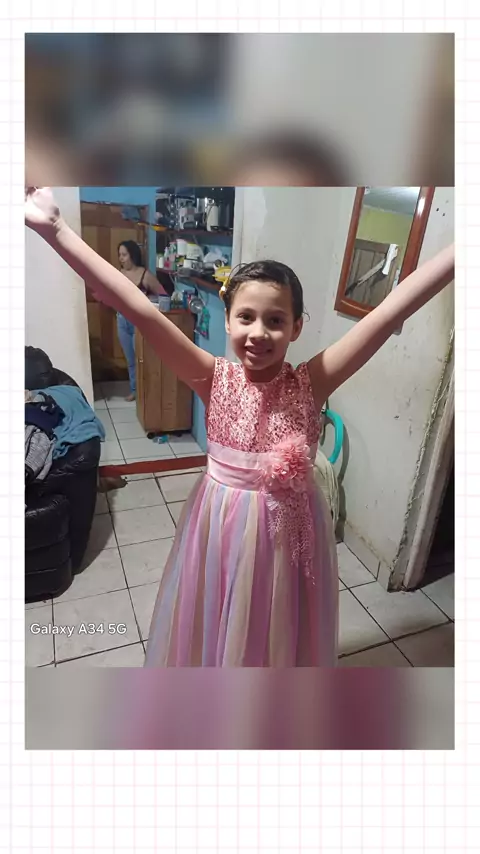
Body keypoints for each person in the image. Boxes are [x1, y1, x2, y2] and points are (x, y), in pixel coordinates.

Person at [25, 187, 454, 667]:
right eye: (246, 317)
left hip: (291, 532)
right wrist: (56, 229)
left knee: (281, 622)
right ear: (227, 320)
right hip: (222, 527)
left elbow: (390, 311)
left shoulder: (312, 382)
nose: (259, 333)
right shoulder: (213, 378)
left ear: (296, 327)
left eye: (275, 320)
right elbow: (138, 309)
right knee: (220, 618)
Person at [117, 240, 168, 401]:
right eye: (119, 255)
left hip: (139, 323)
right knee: (130, 360)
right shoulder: (118, 274)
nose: (121, 258)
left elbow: (163, 295)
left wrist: (150, 304)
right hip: (122, 320)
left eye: (124, 255)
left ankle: (147, 393)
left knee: (142, 359)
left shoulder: (145, 275)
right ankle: (135, 391)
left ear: (132, 255)